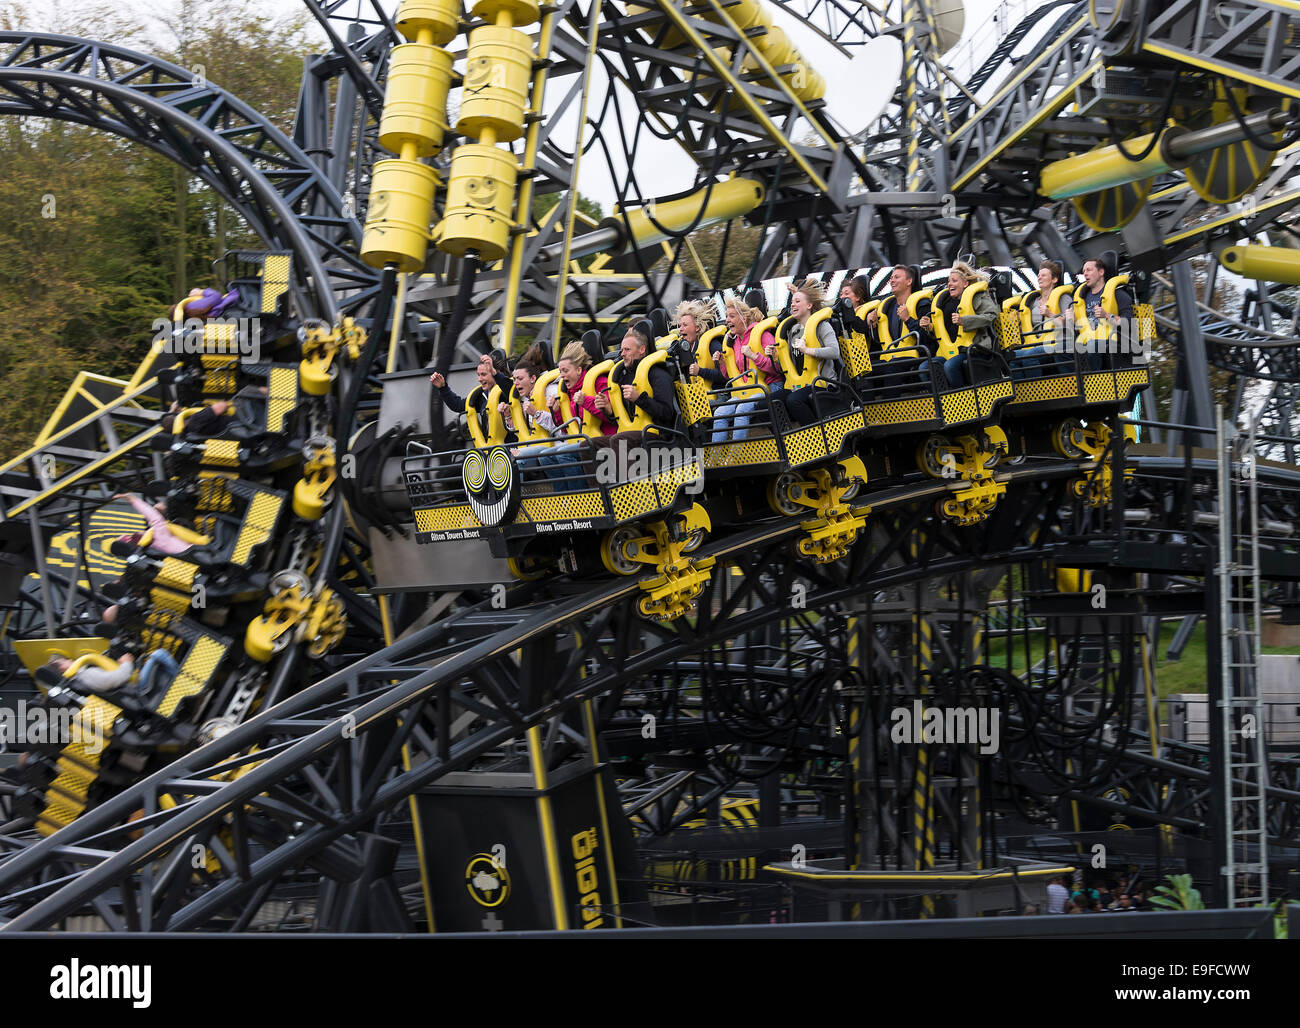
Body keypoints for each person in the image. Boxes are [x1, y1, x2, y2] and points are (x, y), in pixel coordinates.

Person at [703, 299, 780, 442]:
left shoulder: (762, 336)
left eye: (731, 316)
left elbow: (777, 368)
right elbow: (730, 376)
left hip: (768, 386)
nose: (727, 321)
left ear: (743, 318)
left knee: (741, 410)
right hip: (745, 390)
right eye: (726, 317)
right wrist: (722, 364)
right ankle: (717, 459)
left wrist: (754, 356)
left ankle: (738, 455)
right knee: (720, 413)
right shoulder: (734, 342)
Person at [772, 277, 843, 425]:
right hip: (799, 384)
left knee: (794, 400)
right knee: (768, 403)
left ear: (809, 305)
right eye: (792, 302)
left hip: (822, 383)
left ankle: (815, 437)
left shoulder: (822, 326)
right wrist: (775, 357)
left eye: (797, 301)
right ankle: (787, 438)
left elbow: (834, 352)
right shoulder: (793, 330)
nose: (793, 304)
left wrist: (807, 350)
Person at [926, 261, 1000, 388]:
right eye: (949, 281)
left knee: (950, 366)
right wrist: (929, 327)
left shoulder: (977, 297)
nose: (950, 284)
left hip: (974, 348)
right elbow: (943, 332)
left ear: (965, 283)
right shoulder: (945, 303)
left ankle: (961, 398)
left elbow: (991, 316)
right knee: (926, 367)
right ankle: (943, 397)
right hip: (949, 351)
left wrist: (964, 321)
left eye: (954, 281)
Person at [429, 354, 515, 443]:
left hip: (513, 447)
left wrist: (495, 373)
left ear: (495, 372)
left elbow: (511, 391)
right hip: (492, 449)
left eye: (483, 374)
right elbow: (458, 405)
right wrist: (443, 388)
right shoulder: (481, 396)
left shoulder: (506, 390)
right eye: (478, 375)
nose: (480, 379)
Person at [1072, 254, 1134, 370]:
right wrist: (1071, 320)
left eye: (1089, 270)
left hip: (1113, 339)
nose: (1085, 273)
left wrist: (1107, 315)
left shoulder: (1118, 295)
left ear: (1101, 272)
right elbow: (1078, 326)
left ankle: (1096, 379)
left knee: (1091, 345)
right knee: (1062, 348)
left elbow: (1128, 323)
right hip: (1087, 338)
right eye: (1084, 271)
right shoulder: (1081, 299)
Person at [556, 340, 618, 437]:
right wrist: (556, 412)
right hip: (581, 439)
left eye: (565, 371)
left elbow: (613, 416)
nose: (561, 376)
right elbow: (565, 429)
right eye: (560, 371)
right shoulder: (568, 391)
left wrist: (585, 401)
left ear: (578, 370)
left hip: (606, 438)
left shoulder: (599, 382)